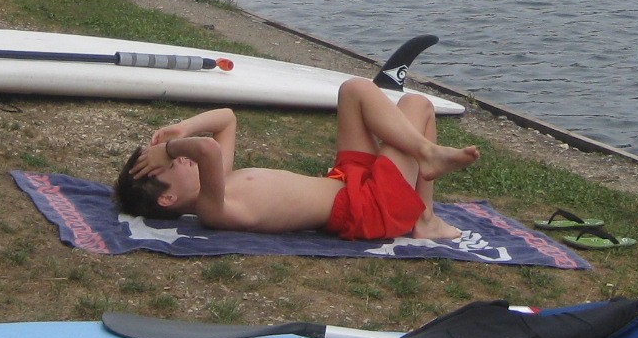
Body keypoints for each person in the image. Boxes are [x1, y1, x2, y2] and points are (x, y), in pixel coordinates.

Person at [114, 79, 478, 242]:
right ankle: (425, 216)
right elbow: (206, 149)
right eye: (171, 166)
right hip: (364, 208)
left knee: (354, 90)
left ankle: (425, 166)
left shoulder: (219, 180)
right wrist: (172, 149)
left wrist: (181, 127)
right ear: (167, 198)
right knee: (418, 106)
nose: (181, 159)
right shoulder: (213, 207)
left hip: (347, 181)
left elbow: (226, 118)